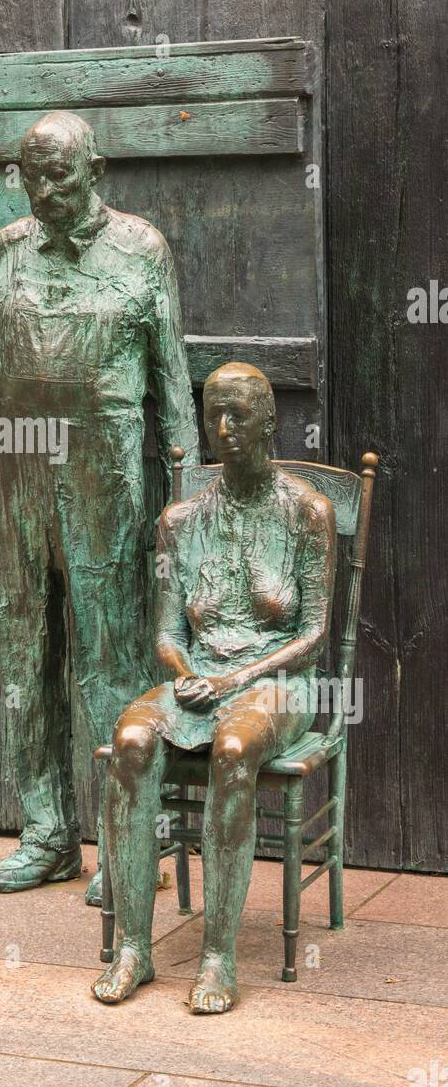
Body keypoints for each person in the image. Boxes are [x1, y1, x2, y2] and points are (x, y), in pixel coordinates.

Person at [0, 110, 199, 901]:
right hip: (19, 469)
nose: (47, 188)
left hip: (109, 474)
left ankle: (133, 835)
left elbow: (172, 381)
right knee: (24, 653)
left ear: (97, 171)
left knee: (111, 657)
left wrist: (184, 503)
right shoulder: (5, 250)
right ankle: (47, 832)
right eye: (32, 173)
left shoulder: (141, 248)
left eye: (62, 172)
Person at [92, 362, 336, 1011]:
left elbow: (311, 634)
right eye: (211, 417)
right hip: (198, 679)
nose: (222, 429)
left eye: (237, 416)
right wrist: (186, 675)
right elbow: (166, 635)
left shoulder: (305, 513)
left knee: (234, 750)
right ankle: (135, 950)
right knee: (132, 738)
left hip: (277, 682)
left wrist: (236, 678)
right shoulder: (180, 521)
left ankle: (217, 957)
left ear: (267, 423)